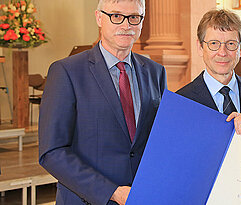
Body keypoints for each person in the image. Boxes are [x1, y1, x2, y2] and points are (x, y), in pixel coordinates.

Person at [38, 0, 167, 204]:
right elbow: (52, 152)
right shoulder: (66, 72)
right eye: (116, 16)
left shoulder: (155, 72)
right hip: (89, 199)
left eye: (134, 17)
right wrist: (112, 192)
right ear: (99, 18)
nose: (126, 25)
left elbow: (159, 139)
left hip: (142, 197)